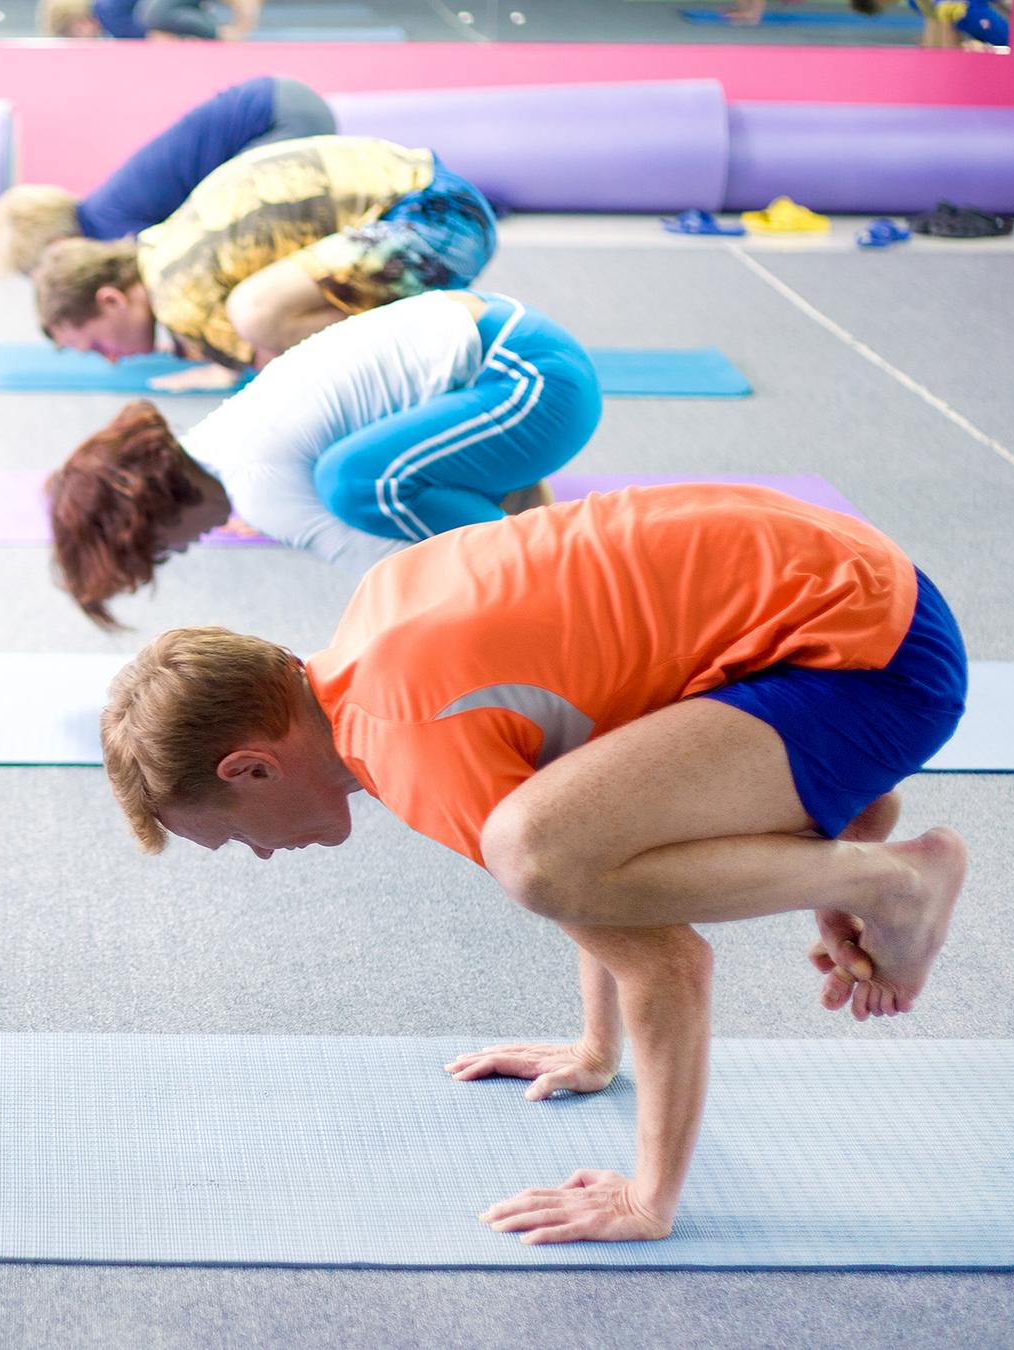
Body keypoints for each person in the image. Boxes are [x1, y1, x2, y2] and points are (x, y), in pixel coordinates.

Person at [97, 483, 969, 1243]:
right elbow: (599, 837)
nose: (258, 854)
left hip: (870, 662)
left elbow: (665, 958)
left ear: (250, 767)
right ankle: (845, 824)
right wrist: (595, 1051)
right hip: (858, 595)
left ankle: (892, 876)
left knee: (526, 850)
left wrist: (646, 1197)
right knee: (553, 837)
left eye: (236, 833)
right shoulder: (374, 635)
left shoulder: (405, 739)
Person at [46, 290, 596, 627]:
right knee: (379, 490)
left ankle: (561, 577)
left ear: (158, 511)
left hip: (536, 381)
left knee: (357, 485)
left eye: (162, 551)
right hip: (516, 359)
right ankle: (554, 562)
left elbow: (398, 582)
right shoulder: (223, 437)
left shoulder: (257, 480)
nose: (183, 550)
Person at [31, 134, 497, 388]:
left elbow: (276, 385)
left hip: (439, 220)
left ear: (111, 299)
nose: (111, 361)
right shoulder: (161, 248)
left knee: (258, 316)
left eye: (97, 347)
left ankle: (440, 364)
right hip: (441, 202)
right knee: (268, 315)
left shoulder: (176, 297)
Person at [0, 75, 337, 275]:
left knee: (239, 242)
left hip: (280, 118)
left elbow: (186, 269)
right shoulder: (103, 211)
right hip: (286, 104)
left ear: (56, 248)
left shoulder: (110, 229)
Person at [40, 0, 263, 41]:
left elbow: (154, 36)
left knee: (155, 16)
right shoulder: (109, 11)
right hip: (172, 7)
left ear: (79, 25)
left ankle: (224, 33)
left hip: (166, 8)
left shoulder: (109, 15)